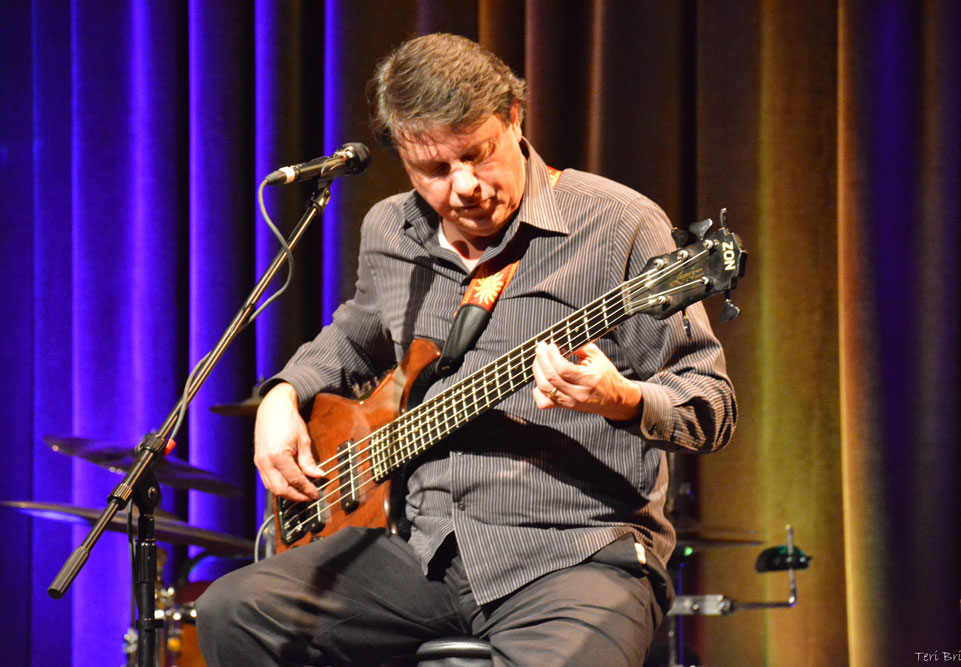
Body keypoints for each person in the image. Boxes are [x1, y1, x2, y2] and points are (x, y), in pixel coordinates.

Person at [195, 32, 736, 667]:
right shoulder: (391, 231)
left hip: (580, 556)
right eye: (435, 169)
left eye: (477, 156)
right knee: (235, 610)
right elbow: (356, 333)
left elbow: (712, 405)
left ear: (514, 117)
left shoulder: (619, 224)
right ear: (403, 157)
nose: (465, 187)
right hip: (425, 551)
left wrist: (622, 398)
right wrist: (285, 394)